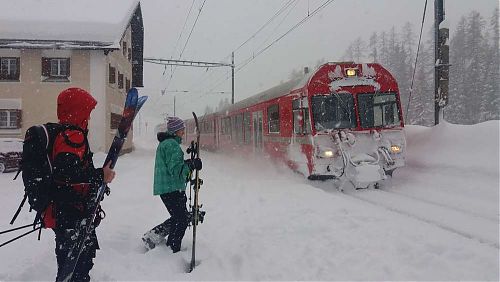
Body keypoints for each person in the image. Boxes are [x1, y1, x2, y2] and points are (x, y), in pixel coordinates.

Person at [43, 87, 116, 281]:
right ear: (77, 110)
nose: (89, 118)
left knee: (71, 263)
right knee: (76, 265)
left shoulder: (64, 133)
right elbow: (67, 173)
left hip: (66, 211)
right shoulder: (72, 136)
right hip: (72, 212)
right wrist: (100, 175)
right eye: (87, 112)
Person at [143, 116, 202, 253]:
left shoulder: (167, 143)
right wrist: (192, 165)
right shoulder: (171, 145)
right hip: (171, 188)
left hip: (168, 187)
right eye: (182, 129)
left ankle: (157, 239)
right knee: (181, 220)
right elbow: (176, 171)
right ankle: (172, 249)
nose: (183, 132)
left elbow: (175, 166)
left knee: (178, 217)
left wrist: (187, 164)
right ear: (176, 131)